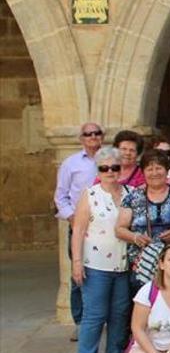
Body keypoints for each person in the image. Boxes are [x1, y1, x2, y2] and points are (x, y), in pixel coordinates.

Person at [71, 147, 132, 353]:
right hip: (96, 265)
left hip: (124, 264)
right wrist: (77, 262)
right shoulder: (90, 194)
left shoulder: (131, 193)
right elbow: (78, 229)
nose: (110, 172)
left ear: (121, 168)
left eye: (114, 167)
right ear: (98, 170)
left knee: (119, 314)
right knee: (94, 316)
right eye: (104, 168)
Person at [116, 149, 170, 291]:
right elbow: (119, 229)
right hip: (140, 264)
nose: (154, 173)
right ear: (143, 172)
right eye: (149, 169)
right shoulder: (133, 197)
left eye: (159, 168)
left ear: (166, 170)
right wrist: (135, 237)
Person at [55, 121, 104, 341]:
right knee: (79, 275)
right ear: (81, 138)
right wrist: (73, 217)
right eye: (88, 134)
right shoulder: (70, 164)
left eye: (97, 133)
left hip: (107, 227)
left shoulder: (110, 160)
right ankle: (81, 321)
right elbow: (60, 196)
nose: (93, 137)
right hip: (80, 227)